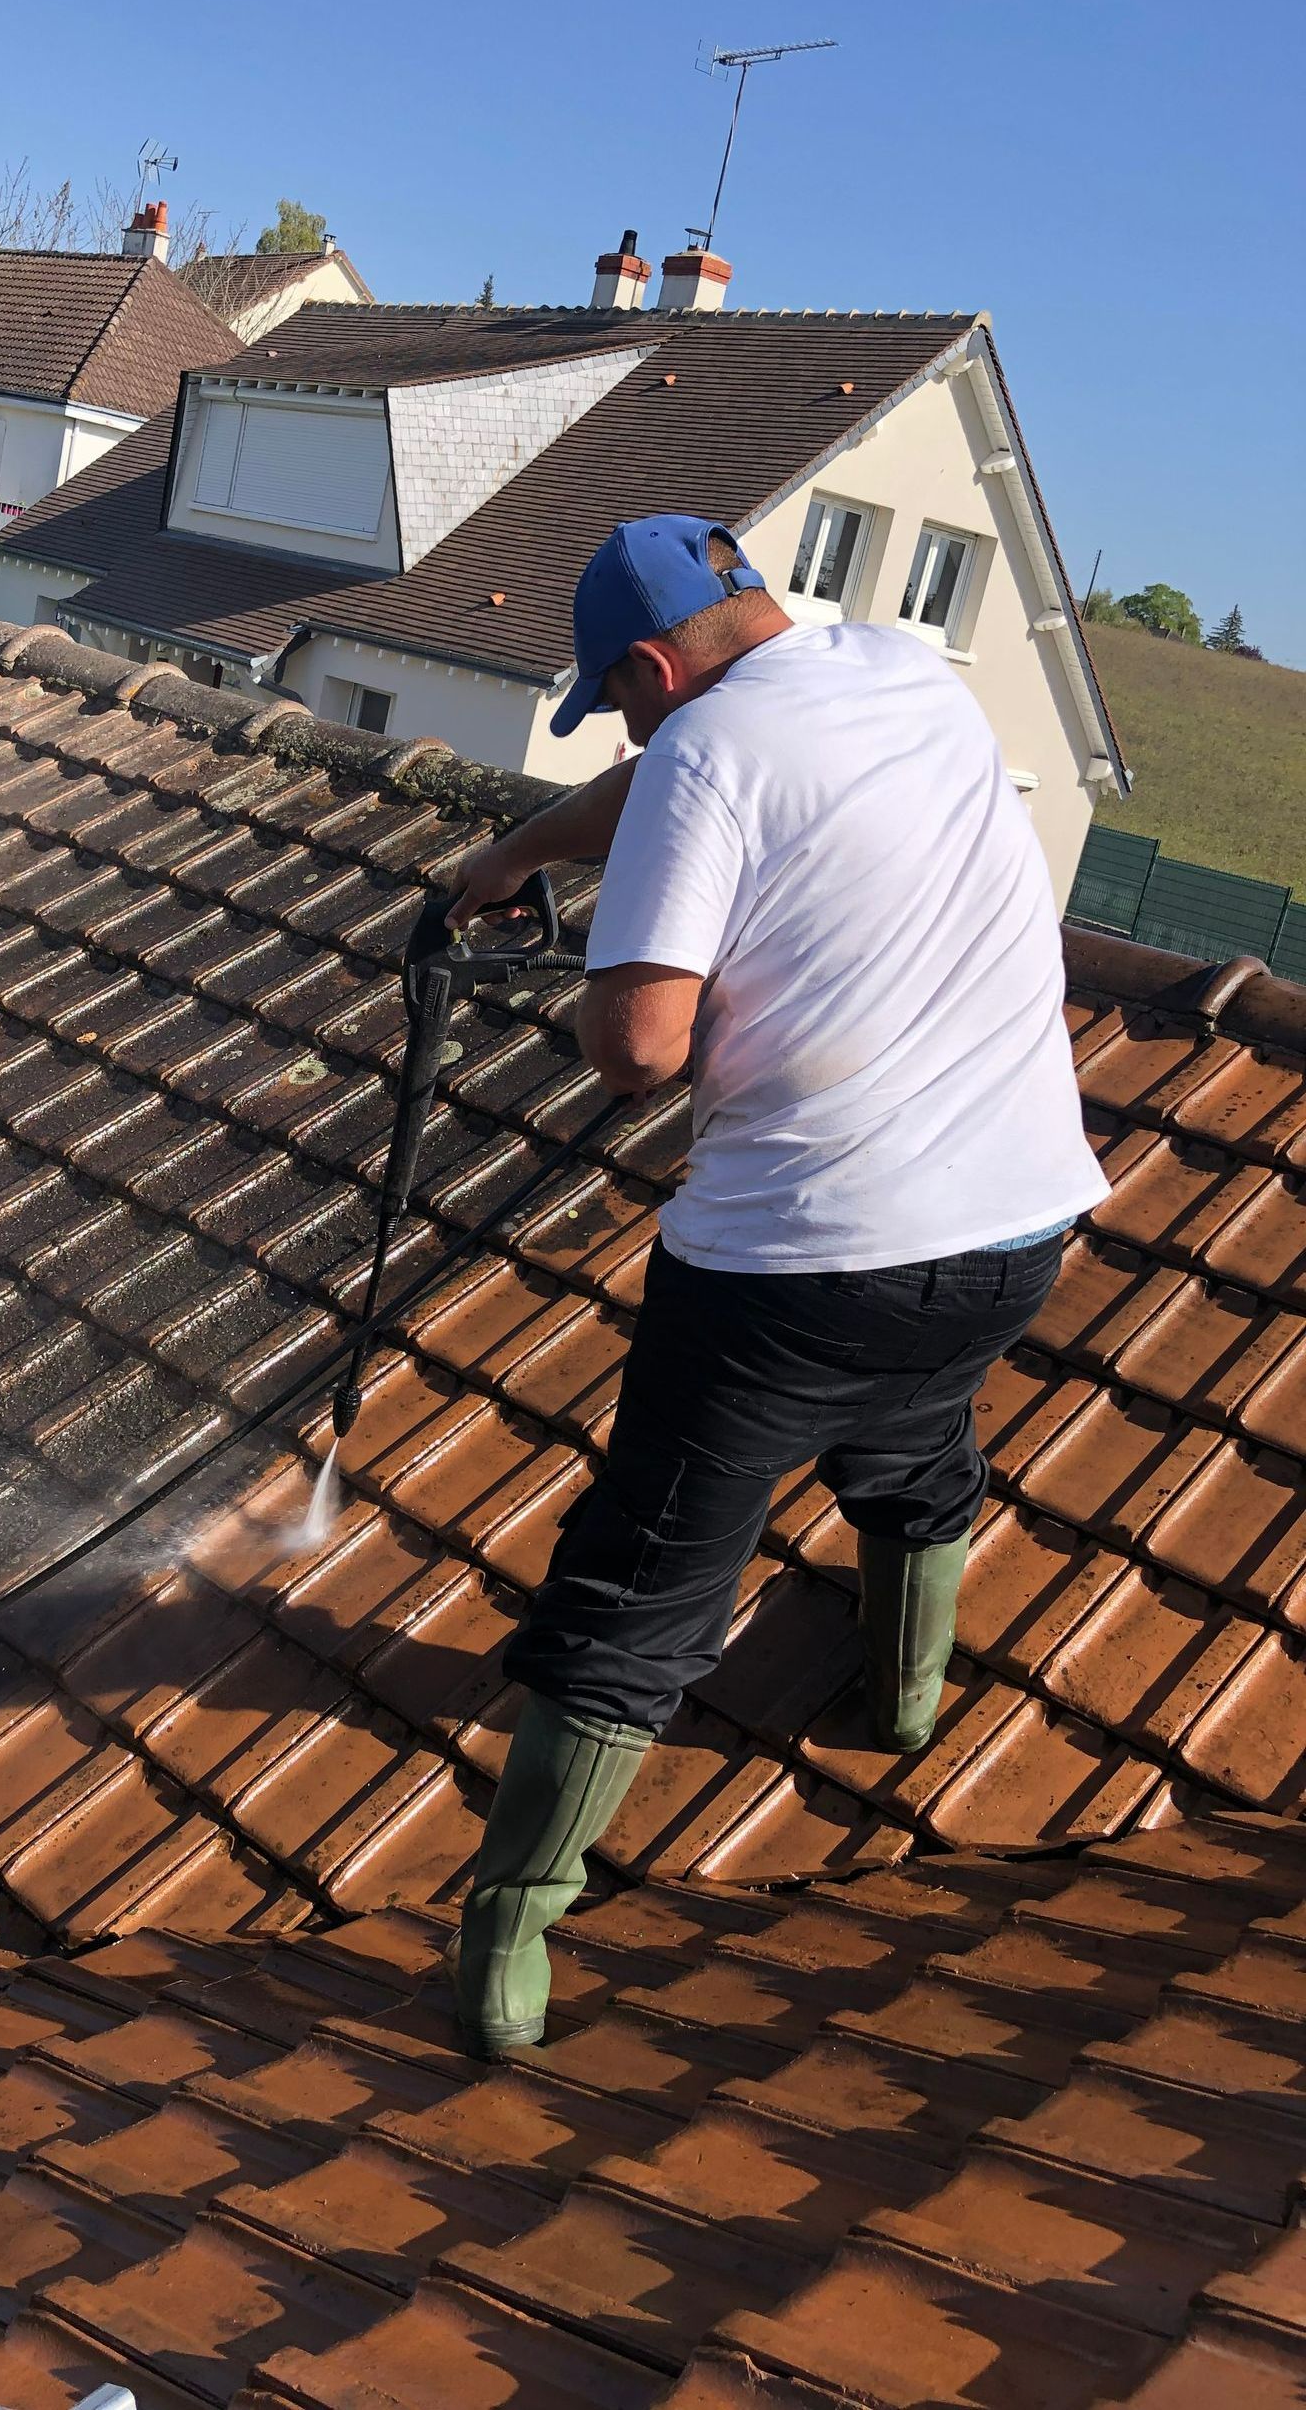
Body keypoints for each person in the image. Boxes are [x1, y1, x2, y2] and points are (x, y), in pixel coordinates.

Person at [446, 513, 1108, 2059]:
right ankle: (903, 1702)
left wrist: (612, 963)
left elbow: (641, 1053)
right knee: (913, 1439)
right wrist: (522, 850)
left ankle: (507, 1938)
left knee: (648, 1576)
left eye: (620, 697)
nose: (628, 728)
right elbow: (696, 774)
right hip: (1015, 1233)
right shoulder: (911, 674)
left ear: (654, 666)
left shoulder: (698, 757)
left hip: (792, 1271)